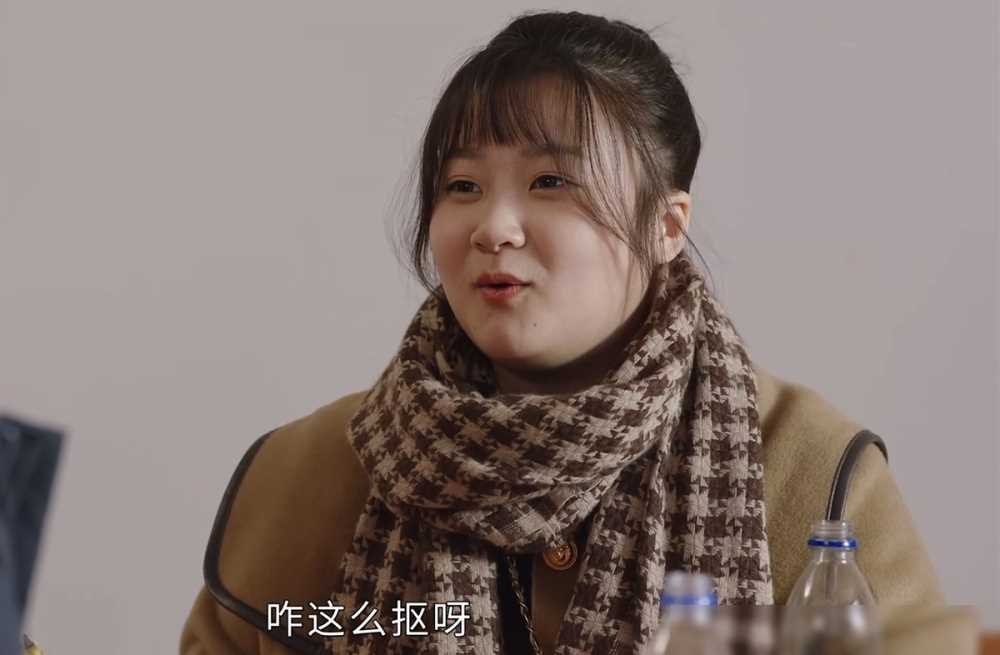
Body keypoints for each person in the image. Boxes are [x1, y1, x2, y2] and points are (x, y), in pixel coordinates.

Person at [180, 10, 978, 655]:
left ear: (667, 225)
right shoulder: (304, 473)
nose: (494, 226)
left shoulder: (813, 475)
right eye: (462, 185)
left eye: (550, 181)